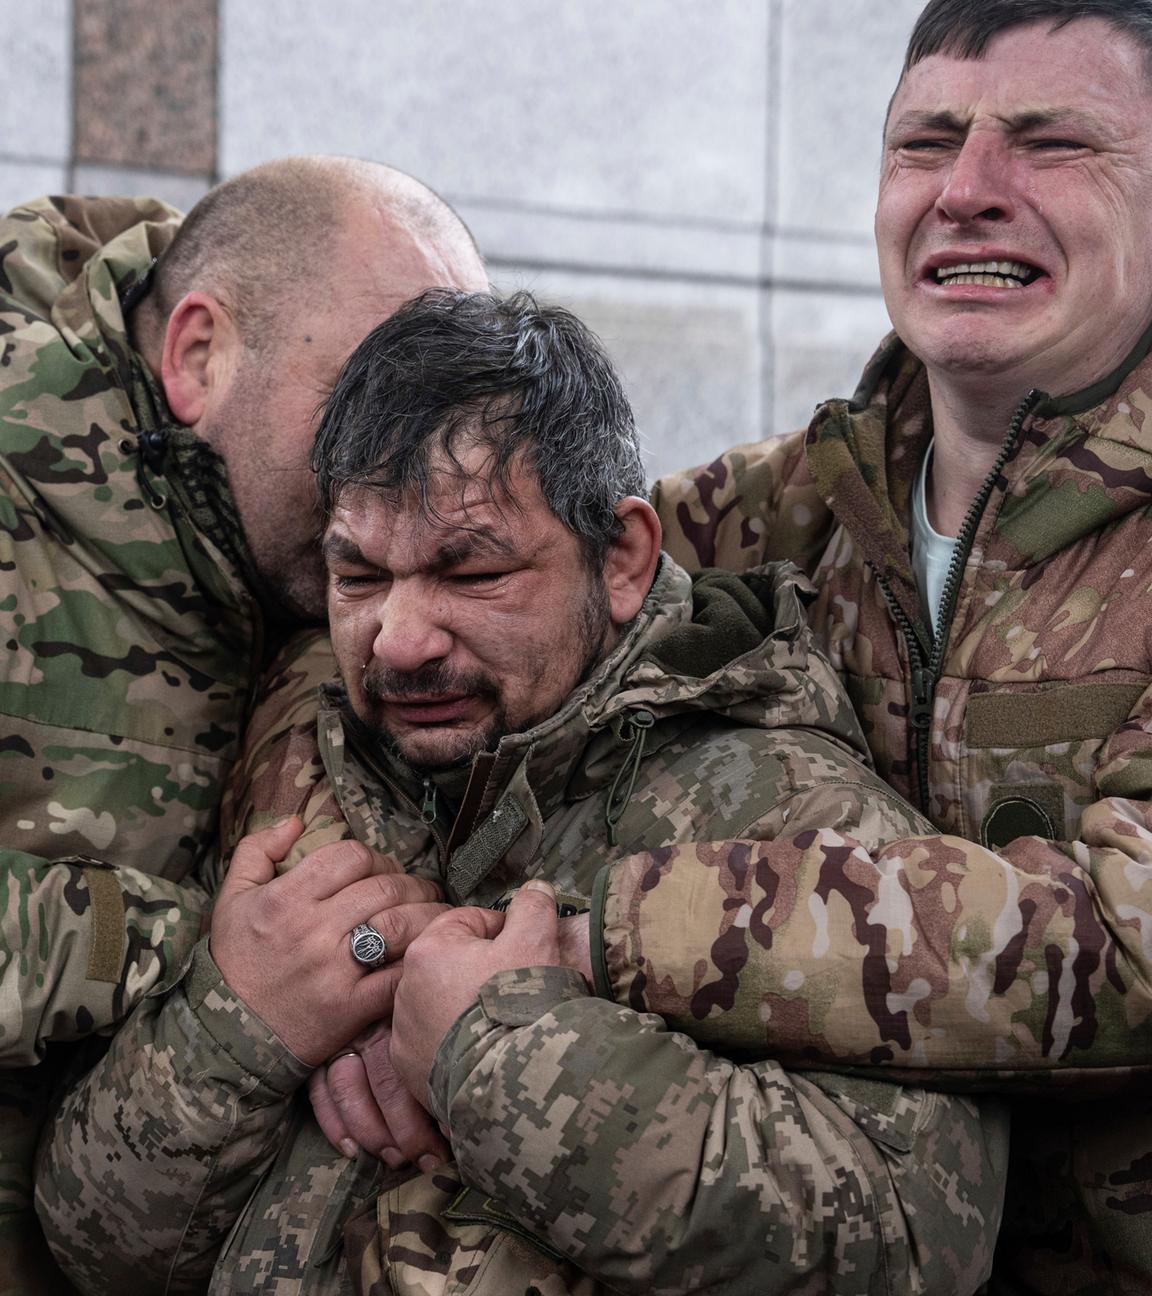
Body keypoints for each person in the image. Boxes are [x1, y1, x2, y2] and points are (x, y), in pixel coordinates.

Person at [37, 290, 1006, 1295]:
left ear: (622, 558)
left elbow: (916, 1240)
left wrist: (496, 1054)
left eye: (473, 572)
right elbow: (99, 1241)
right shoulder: (301, 755)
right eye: (359, 578)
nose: (398, 638)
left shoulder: (798, 824)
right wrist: (242, 1022)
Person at [639, 2, 1152, 1290]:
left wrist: (614, 931)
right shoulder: (776, 515)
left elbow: (1130, 953)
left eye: (1052, 142)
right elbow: (453, 595)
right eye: (926, 144)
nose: (969, 190)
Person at [0, 158, 486, 1292]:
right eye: (372, 406)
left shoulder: (316, 568)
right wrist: (214, 960)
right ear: (199, 356)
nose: (413, 471)